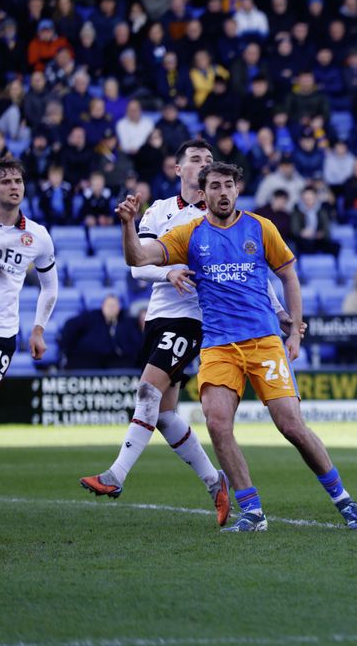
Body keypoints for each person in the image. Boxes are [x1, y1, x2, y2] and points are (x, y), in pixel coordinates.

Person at [117, 162, 357, 532]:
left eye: (228, 185)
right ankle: (252, 511)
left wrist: (295, 331)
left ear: (238, 190)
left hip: (263, 342)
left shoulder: (260, 227)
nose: (222, 192)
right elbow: (137, 258)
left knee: (291, 425)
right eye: (214, 186)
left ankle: (342, 499)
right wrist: (127, 224)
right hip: (218, 345)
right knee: (218, 424)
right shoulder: (190, 234)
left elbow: (288, 274)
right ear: (202, 194)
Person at [80, 140, 294, 524]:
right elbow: (137, 265)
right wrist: (169, 270)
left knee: (147, 390)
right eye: (195, 159)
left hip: (195, 318)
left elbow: (250, 270)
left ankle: (116, 475)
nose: (203, 164)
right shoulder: (160, 210)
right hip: (160, 315)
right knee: (163, 414)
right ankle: (216, 483)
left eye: (209, 161)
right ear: (178, 169)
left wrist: (279, 310)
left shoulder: (224, 217)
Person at [0, 157, 57, 386]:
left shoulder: (38, 236)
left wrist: (38, 330)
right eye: (5, 182)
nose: (14, 186)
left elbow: (50, 287)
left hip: (2, 332)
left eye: (18, 181)